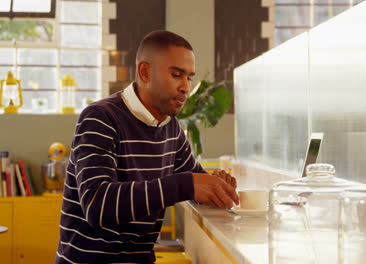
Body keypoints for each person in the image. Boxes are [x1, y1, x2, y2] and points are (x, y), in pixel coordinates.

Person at [55, 30, 239, 264]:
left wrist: (218, 186)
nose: (186, 87)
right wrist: (187, 184)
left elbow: (195, 181)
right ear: (145, 72)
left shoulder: (170, 127)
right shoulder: (99, 117)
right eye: (176, 75)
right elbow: (97, 205)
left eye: (189, 77)